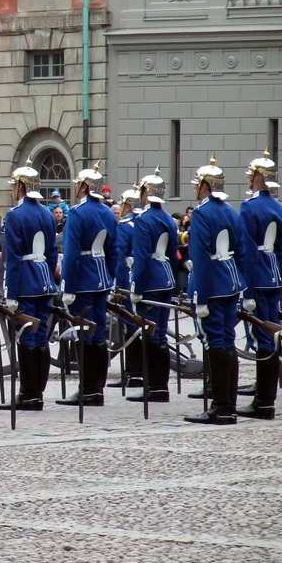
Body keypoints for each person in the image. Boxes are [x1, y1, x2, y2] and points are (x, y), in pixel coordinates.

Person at [184, 157, 255, 426]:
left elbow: (201, 257)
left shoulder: (203, 213)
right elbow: (242, 251)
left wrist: (200, 297)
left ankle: (220, 406)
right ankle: (230, 404)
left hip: (211, 285)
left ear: (205, 186)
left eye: (197, 185)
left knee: (216, 342)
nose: (196, 190)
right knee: (227, 341)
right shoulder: (229, 211)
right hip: (230, 283)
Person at [57, 162, 118, 408]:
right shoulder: (106, 212)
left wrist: (67, 286)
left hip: (82, 280)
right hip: (102, 278)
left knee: (84, 332)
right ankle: (97, 389)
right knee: (99, 332)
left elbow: (71, 255)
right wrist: (110, 277)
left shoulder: (78, 213)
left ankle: (87, 388)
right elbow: (113, 251)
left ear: (83, 187)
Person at [0, 160, 59, 410]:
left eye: (15, 185)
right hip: (44, 280)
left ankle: (28, 394)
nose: (13, 189)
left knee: (26, 336)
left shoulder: (15, 215)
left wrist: (10, 292)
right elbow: (53, 252)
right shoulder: (47, 213)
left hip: (24, 280)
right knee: (41, 336)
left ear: (22, 186)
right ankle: (38, 392)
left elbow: (12, 258)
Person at [235, 152, 282, 420]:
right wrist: (277, 276)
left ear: (257, 177)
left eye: (250, 174)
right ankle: (267, 397)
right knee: (272, 334)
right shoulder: (279, 207)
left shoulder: (248, 207)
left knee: (262, 337)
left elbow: (246, 251)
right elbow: (281, 250)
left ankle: (263, 401)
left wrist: (246, 290)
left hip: (256, 276)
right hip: (273, 277)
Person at [128, 169, 180, 403]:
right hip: (166, 277)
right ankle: (160, 386)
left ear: (146, 192)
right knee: (160, 333)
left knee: (150, 333)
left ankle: (154, 387)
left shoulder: (143, 219)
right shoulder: (168, 218)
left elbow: (141, 258)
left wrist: (136, 288)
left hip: (150, 281)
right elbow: (172, 253)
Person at [109, 184, 143, 390]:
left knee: (131, 326)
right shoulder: (146, 223)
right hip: (149, 281)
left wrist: (117, 286)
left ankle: (133, 373)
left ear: (128, 207)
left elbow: (119, 258)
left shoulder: (124, 226)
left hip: (129, 282)